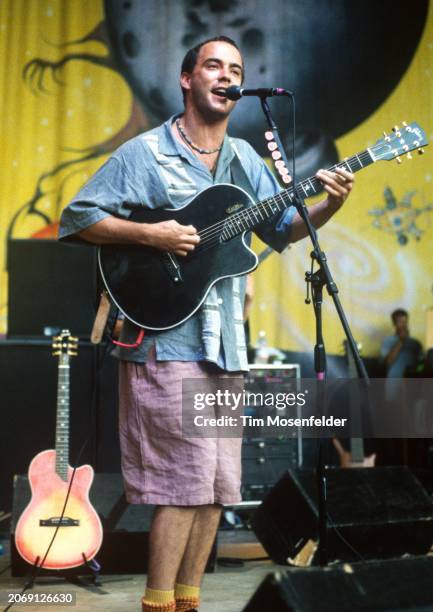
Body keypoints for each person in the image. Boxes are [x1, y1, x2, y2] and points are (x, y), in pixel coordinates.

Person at [59, 36, 354, 612]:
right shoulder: (144, 153)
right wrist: (151, 234)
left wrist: (331, 205)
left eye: (236, 69)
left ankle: (187, 602)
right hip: (166, 341)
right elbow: (79, 217)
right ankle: (158, 603)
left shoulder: (245, 159)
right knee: (183, 483)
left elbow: (284, 228)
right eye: (214, 65)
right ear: (187, 79)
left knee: (218, 486)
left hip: (227, 346)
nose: (226, 74)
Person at [381, 309, 422, 379]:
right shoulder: (387, 342)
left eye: (405, 322)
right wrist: (401, 341)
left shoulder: (416, 343)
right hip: (393, 382)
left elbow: (421, 365)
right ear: (394, 323)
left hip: (412, 382)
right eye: (400, 322)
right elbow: (388, 362)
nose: (404, 325)